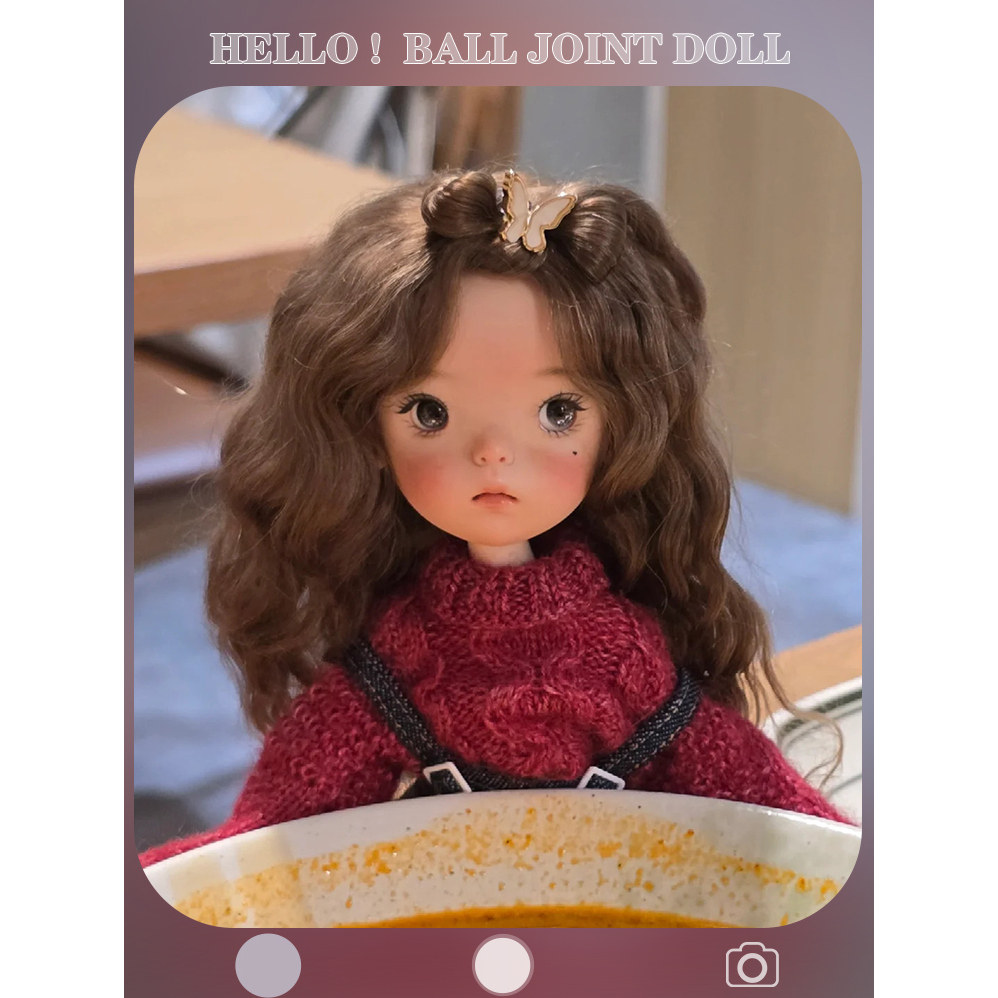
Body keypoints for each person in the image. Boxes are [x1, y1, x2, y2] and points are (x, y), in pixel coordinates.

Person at [139, 169, 848, 867]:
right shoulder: (395, 666)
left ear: (622, 428)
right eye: (429, 412)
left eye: (558, 412)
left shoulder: (627, 658)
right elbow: (271, 839)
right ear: (364, 431)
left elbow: (755, 793)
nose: (493, 455)